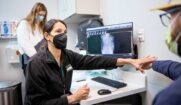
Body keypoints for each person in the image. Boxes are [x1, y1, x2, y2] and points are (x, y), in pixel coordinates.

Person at [24, 19, 156, 105]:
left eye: (65, 32)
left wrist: (129, 61)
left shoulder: (67, 56)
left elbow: (95, 61)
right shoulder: (36, 64)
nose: (63, 35)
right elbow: (37, 103)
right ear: (47, 36)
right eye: (58, 32)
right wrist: (72, 98)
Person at [142, 0, 181, 105]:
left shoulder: (172, 98)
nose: (170, 26)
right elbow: (180, 70)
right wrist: (153, 63)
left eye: (171, 18)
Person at [16, 2, 47, 75]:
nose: (41, 17)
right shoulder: (24, 24)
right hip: (29, 58)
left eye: (43, 15)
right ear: (34, 13)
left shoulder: (40, 26)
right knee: (32, 83)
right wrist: (38, 58)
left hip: (39, 59)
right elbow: (24, 44)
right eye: (40, 15)